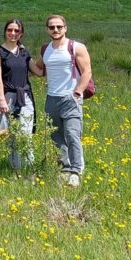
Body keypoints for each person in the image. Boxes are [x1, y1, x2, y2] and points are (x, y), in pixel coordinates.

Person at [29, 14, 93, 187]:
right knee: (55, 136)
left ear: (65, 28)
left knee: (72, 134)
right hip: (52, 98)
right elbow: (40, 69)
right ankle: (65, 168)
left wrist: (78, 92)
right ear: (47, 29)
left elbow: (87, 72)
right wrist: (24, 60)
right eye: (51, 27)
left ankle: (76, 170)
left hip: (71, 98)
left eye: (59, 26)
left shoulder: (76, 47)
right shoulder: (46, 49)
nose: (55, 30)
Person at [0, 18, 35, 173]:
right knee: (12, 138)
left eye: (16, 31)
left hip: (25, 98)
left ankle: (30, 170)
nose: (13, 33)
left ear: (21, 33)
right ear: (5, 31)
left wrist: (48, 54)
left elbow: (37, 71)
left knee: (26, 135)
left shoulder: (24, 52)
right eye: (10, 30)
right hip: (7, 98)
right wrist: (2, 99)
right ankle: (15, 170)